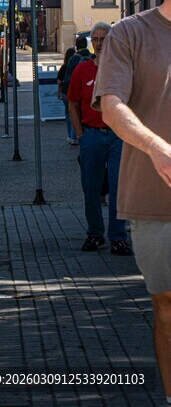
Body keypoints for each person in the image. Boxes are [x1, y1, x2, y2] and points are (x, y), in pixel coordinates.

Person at [94, 0, 171, 404]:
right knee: (167, 306)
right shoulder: (131, 33)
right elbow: (111, 106)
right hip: (154, 197)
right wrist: (157, 146)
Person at [67, 21, 131, 255]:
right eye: (96, 40)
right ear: (91, 43)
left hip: (117, 137)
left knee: (118, 188)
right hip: (91, 136)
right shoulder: (82, 71)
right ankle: (95, 234)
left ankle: (118, 237)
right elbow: (72, 103)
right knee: (91, 189)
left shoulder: (122, 68)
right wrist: (81, 135)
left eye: (104, 39)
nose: (100, 43)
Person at [58, 46, 78, 145]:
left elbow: (58, 81)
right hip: (72, 92)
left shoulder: (63, 67)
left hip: (64, 93)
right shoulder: (75, 65)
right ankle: (73, 136)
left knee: (67, 114)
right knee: (75, 113)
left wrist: (63, 83)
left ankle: (70, 135)